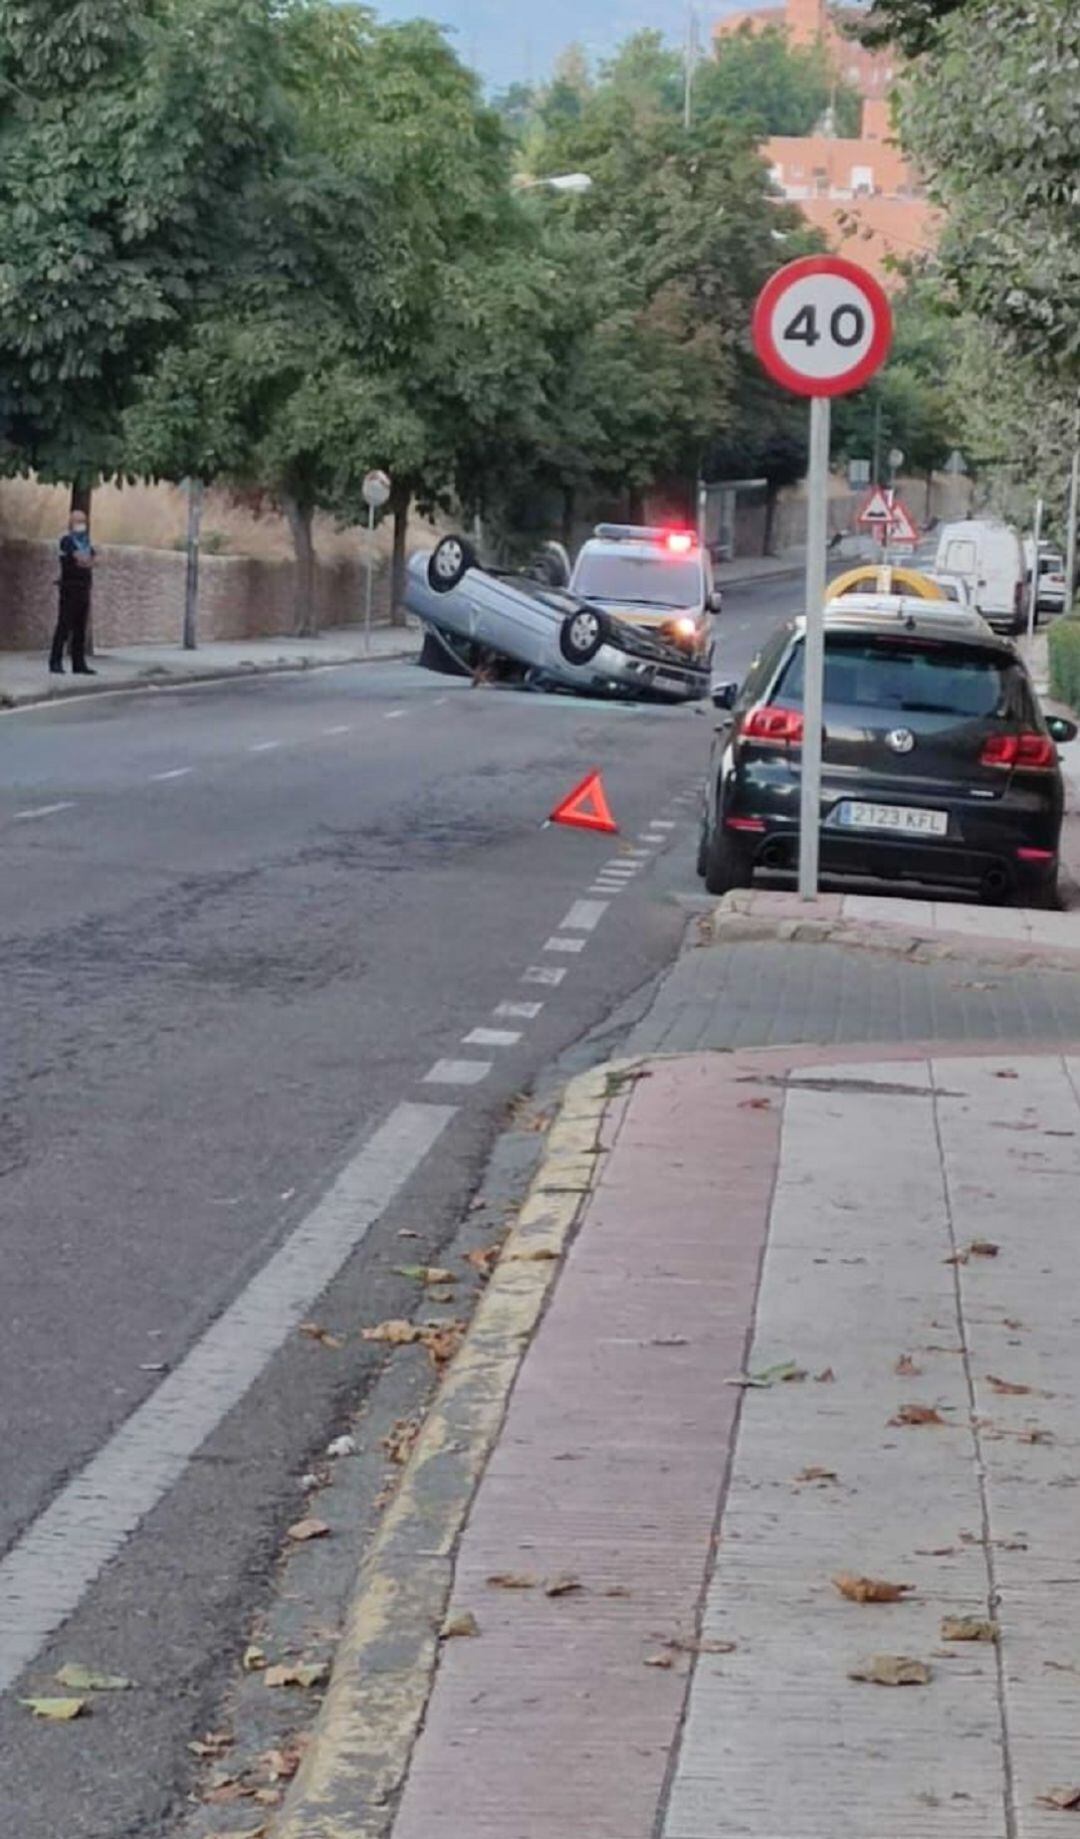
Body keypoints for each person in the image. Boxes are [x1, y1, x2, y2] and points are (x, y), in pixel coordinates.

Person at [49, 510, 97, 675]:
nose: (80, 525)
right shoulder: (67, 541)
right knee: (64, 626)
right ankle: (55, 661)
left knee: (80, 628)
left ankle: (79, 664)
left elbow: (90, 561)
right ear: (70, 523)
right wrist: (83, 560)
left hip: (84, 588)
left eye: (83, 521)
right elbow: (80, 559)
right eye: (77, 521)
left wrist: (84, 560)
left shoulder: (87, 543)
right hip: (69, 589)